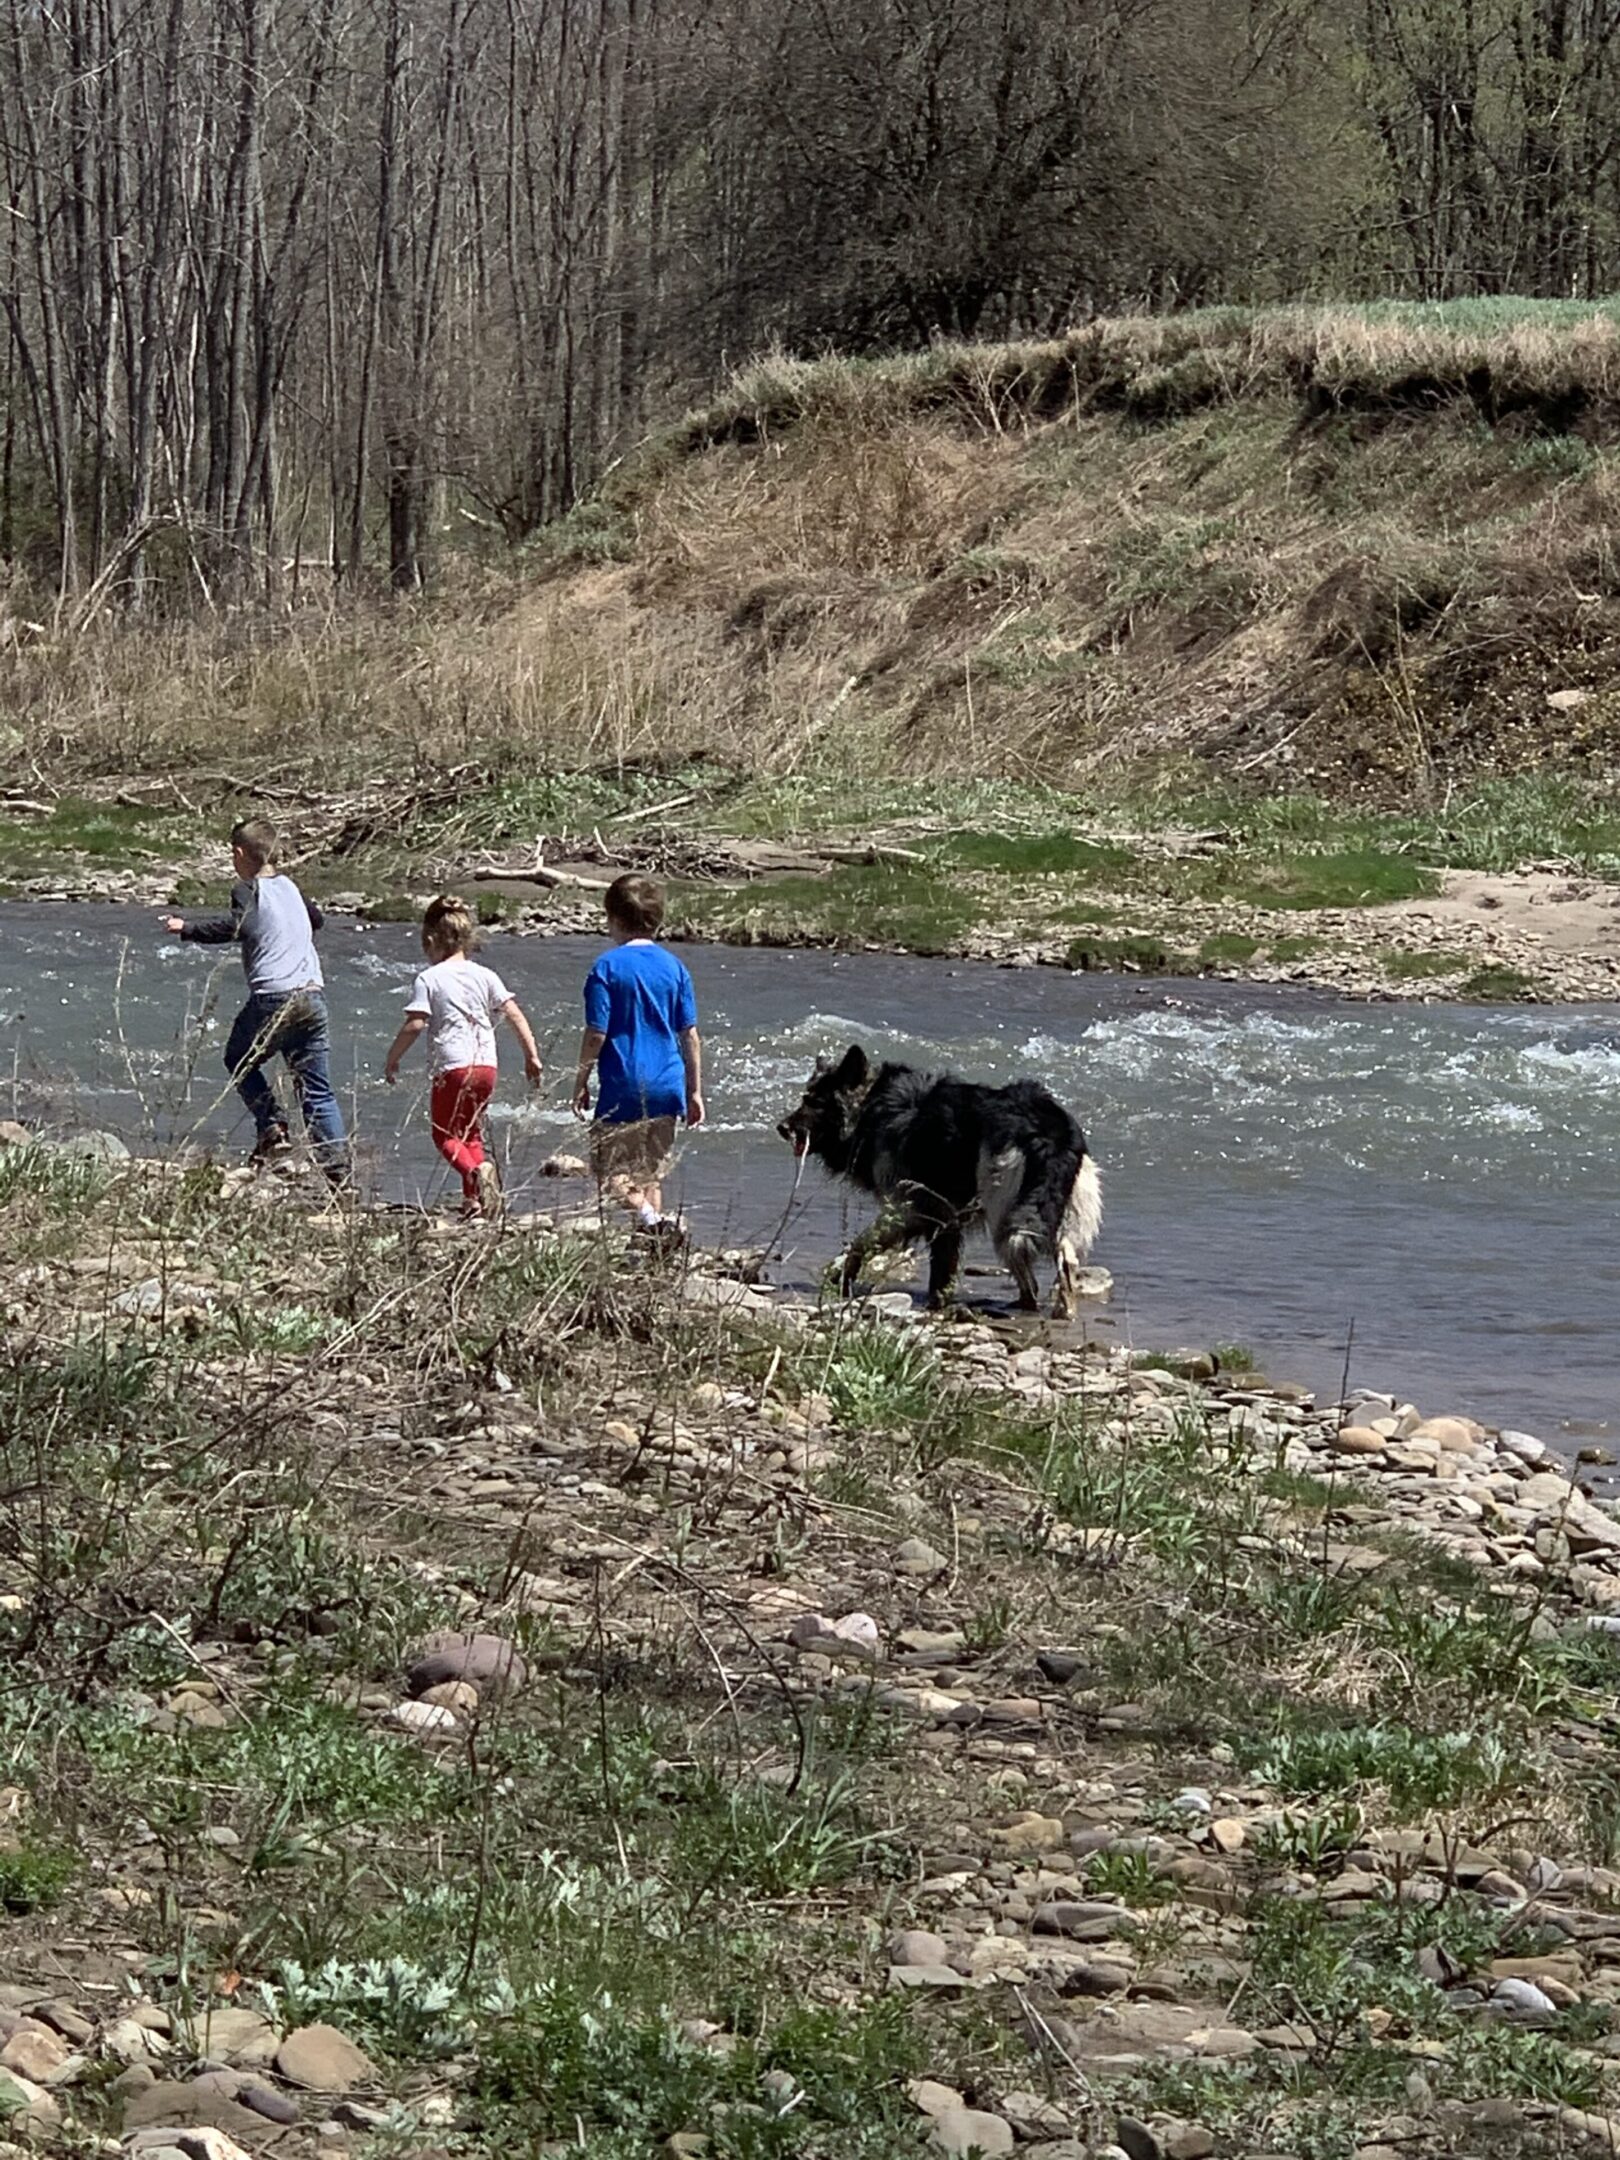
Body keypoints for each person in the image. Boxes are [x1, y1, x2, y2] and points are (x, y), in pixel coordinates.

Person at [164, 817, 351, 1186]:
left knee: (238, 1057)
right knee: (317, 1090)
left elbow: (239, 927)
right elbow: (316, 920)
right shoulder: (292, 888)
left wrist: (187, 929)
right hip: (312, 996)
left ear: (238, 853)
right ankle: (339, 1175)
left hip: (273, 997)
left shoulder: (246, 890)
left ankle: (272, 1126)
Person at [383, 894, 542, 1218]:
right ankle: (475, 1199)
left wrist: (393, 1057)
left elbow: (415, 1024)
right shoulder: (485, 975)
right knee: (471, 1133)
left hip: (452, 1067)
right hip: (486, 1066)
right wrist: (531, 1056)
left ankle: (473, 1175)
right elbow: (514, 1014)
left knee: (443, 1135)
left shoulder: (429, 978)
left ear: (429, 941)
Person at [573, 873, 703, 1241]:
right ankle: (653, 1241)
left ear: (612, 918)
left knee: (609, 1172)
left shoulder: (606, 968)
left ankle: (650, 1221)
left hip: (624, 1082)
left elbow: (596, 1034)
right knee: (649, 1173)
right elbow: (689, 1034)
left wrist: (580, 1081)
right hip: (668, 1082)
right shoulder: (675, 967)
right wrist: (695, 1091)